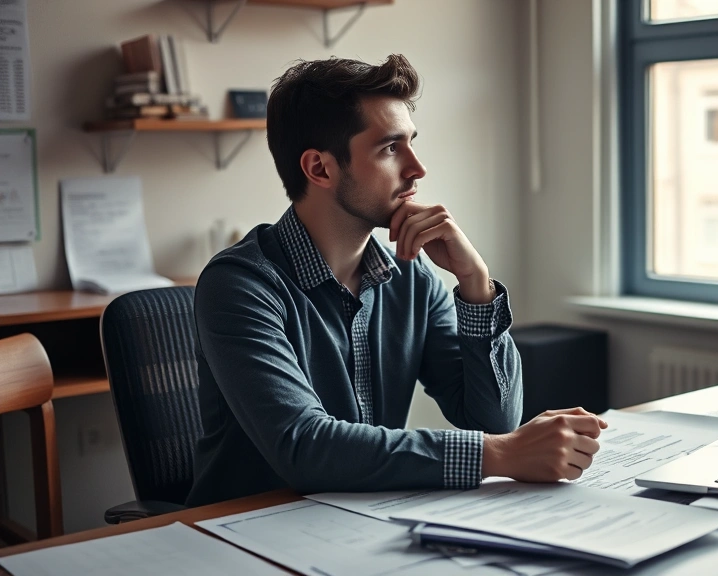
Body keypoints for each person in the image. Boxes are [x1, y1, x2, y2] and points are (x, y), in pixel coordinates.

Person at [186, 54, 608, 506]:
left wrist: (475, 283)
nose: (417, 168)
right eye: (390, 148)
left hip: (363, 518)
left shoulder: (412, 277)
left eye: (411, 142)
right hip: (245, 533)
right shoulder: (240, 286)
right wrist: (498, 456)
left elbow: (494, 419)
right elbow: (304, 447)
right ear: (320, 169)